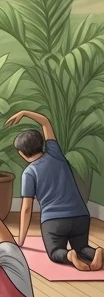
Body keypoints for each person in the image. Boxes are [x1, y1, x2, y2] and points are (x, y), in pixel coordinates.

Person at [7, 108, 103, 273]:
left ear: (22, 154)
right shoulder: (55, 154)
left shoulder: (29, 173)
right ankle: (96, 253)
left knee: (54, 252)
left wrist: (21, 239)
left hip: (54, 221)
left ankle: (69, 256)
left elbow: (27, 209)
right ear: (42, 144)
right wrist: (24, 113)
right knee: (82, 247)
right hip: (80, 216)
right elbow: (45, 121)